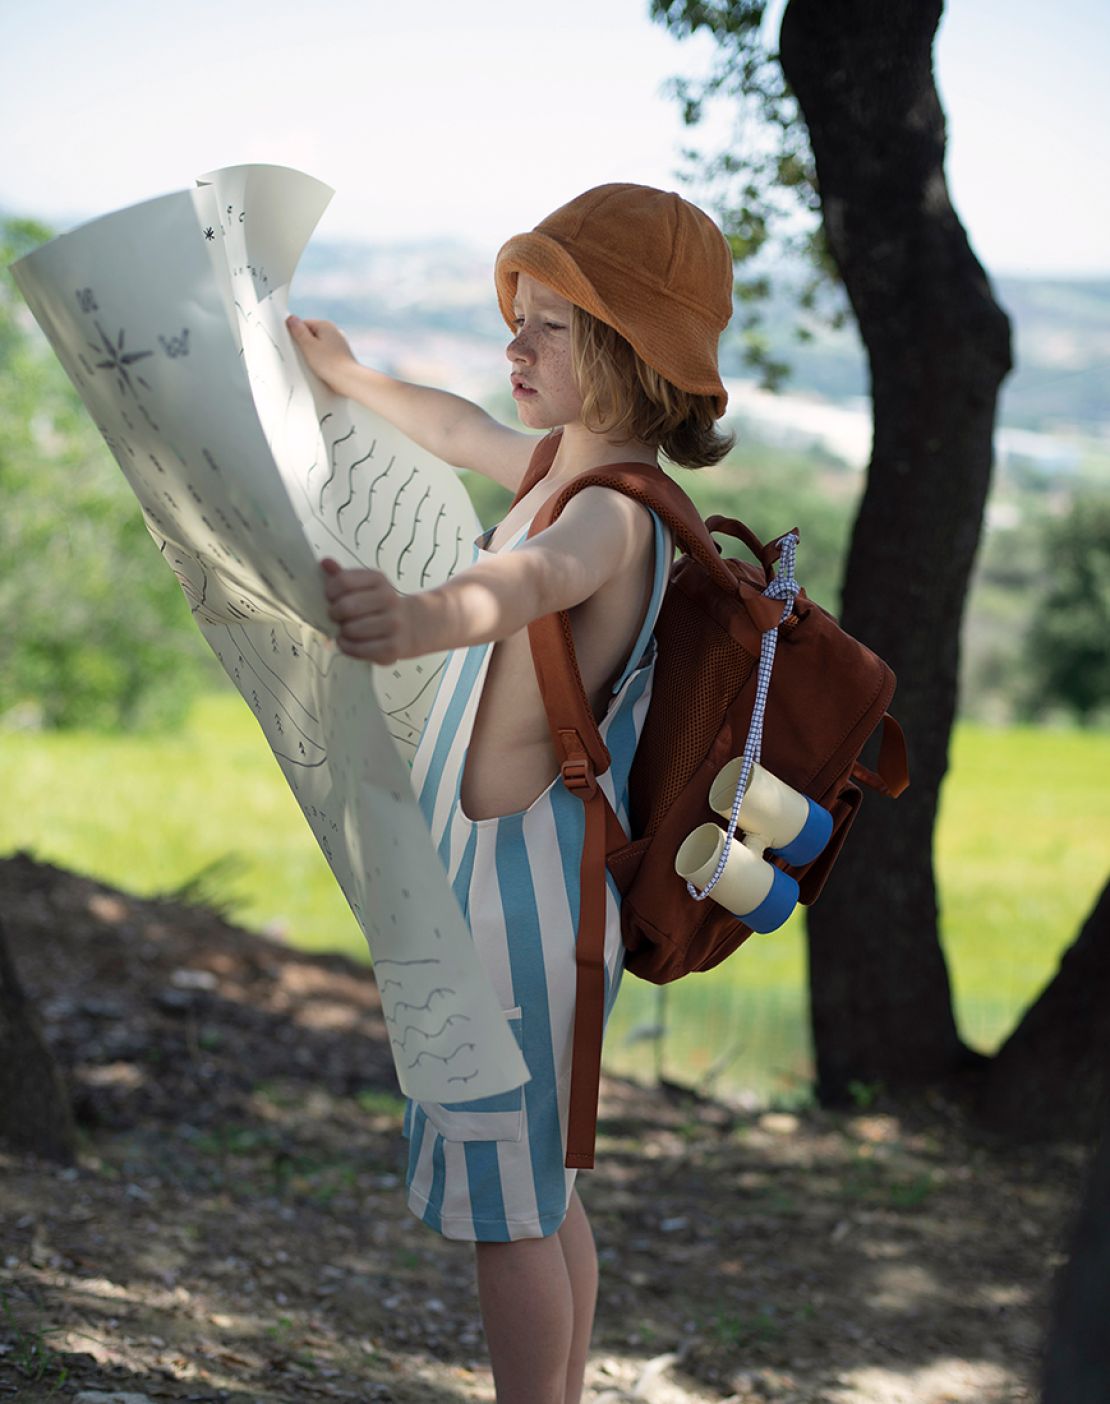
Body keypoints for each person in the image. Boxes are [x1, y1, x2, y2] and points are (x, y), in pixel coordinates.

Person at [286, 182, 734, 1404]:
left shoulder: (607, 520)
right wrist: (354, 376)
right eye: (518, 316)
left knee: (510, 1218)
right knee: (544, 1193)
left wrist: (418, 617)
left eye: (549, 328)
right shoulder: (560, 467)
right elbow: (455, 425)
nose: (513, 345)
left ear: (631, 357)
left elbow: (522, 585)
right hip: (506, 890)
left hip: (520, 913)